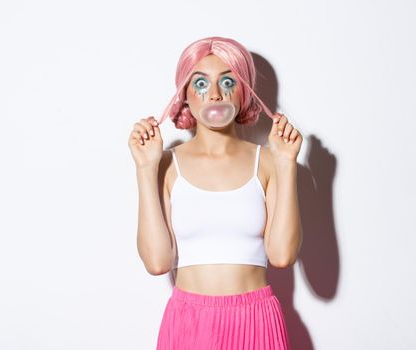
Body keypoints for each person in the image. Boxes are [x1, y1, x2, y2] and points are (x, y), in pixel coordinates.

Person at [128, 36, 303, 349]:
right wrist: (144, 168)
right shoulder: (166, 164)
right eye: (200, 83)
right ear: (184, 94)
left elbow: (282, 255)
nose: (215, 94)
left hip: (256, 321)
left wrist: (286, 163)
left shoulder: (268, 162)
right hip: (189, 323)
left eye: (227, 80)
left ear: (244, 90)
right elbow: (157, 262)